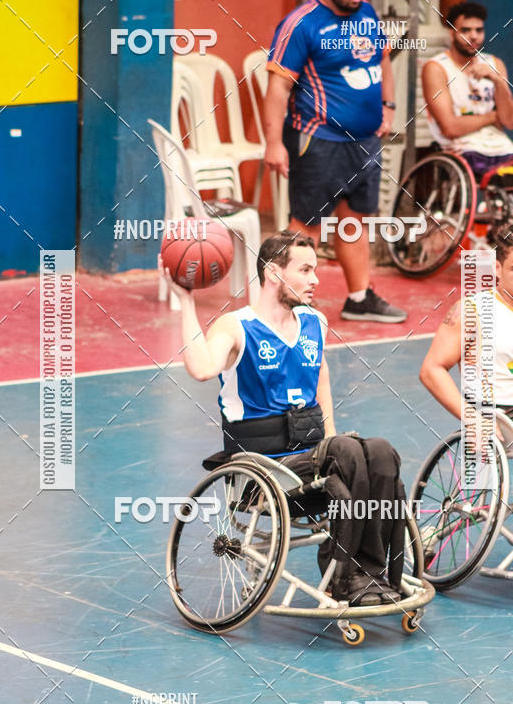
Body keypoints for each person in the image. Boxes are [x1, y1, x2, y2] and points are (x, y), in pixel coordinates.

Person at [168, 231, 406, 604]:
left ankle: (369, 572)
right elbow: (201, 368)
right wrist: (186, 301)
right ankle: (346, 577)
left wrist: (331, 438)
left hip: (311, 460)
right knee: (347, 453)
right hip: (263, 468)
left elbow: (320, 376)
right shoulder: (236, 326)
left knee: (380, 451)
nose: (315, 280)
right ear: (274, 273)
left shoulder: (315, 323)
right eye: (306, 269)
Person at [263, 0, 407, 324]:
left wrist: (389, 107)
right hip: (319, 140)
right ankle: (289, 303)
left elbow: (383, 60)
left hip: (364, 143)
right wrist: (274, 143)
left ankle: (358, 298)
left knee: (354, 220)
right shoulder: (303, 23)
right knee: (306, 225)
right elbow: (277, 88)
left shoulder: (368, 14)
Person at [419, 220, 513, 552]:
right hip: (504, 418)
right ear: (497, 268)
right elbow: (432, 370)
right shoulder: (471, 311)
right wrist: (471, 417)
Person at [422, 1, 513, 180]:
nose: (473, 36)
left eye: (479, 30)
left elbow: (511, 121)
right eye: (465, 30)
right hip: (462, 148)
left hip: (501, 147)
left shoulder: (495, 64)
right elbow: (450, 128)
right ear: (452, 34)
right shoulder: (436, 68)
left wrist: (497, 81)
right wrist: (492, 117)